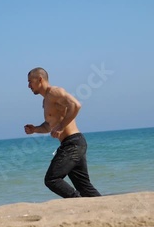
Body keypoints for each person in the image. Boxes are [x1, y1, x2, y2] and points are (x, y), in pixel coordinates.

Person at [24, 67, 101, 198]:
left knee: (52, 179)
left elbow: (76, 105)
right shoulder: (46, 100)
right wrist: (35, 129)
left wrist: (61, 126)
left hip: (73, 143)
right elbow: (49, 126)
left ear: (40, 79)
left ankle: (77, 201)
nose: (28, 86)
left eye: (30, 81)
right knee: (84, 187)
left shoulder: (55, 92)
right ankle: (102, 206)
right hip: (72, 143)